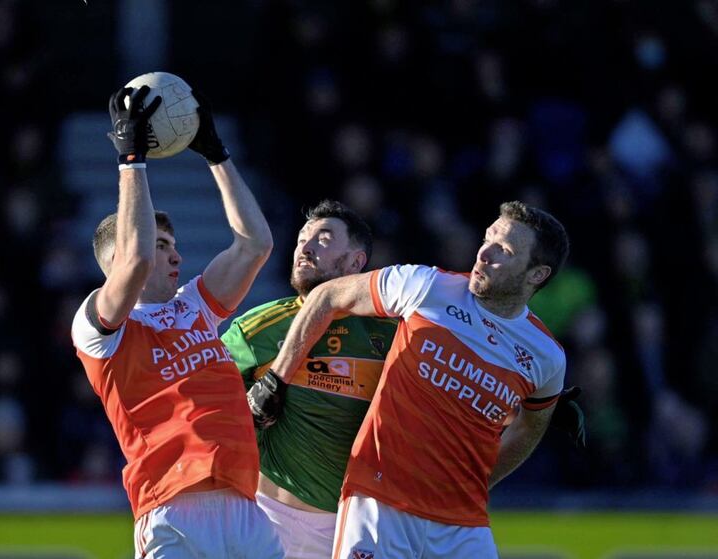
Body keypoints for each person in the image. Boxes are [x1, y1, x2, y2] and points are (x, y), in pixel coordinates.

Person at [248, 201, 571, 558]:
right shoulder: (426, 286)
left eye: (504, 250)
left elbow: (531, 426)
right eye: (487, 238)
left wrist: (479, 483)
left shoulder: (546, 357)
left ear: (536, 275)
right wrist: (276, 379)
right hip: (378, 501)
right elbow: (327, 295)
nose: (483, 253)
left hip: (461, 520)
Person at [71, 84, 283, 558]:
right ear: (112, 260)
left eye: (172, 244)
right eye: (163, 244)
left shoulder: (195, 306)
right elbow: (136, 261)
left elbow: (255, 245)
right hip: (172, 506)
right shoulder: (98, 328)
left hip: (244, 504)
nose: (176, 255)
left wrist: (217, 155)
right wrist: (132, 162)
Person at [221, 200, 398, 558]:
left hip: (355, 525)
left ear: (355, 263)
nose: (306, 246)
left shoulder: (391, 336)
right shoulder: (257, 328)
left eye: (324, 238)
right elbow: (203, 403)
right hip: (267, 518)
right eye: (303, 237)